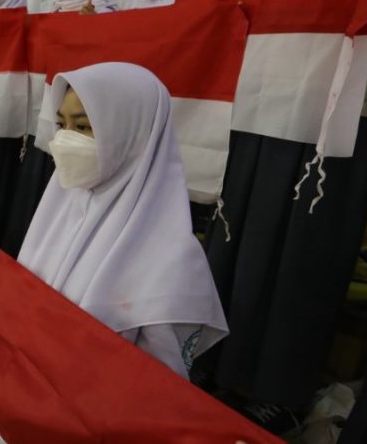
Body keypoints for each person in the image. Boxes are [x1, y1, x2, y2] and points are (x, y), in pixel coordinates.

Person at [18, 63, 228, 379]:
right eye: (61, 125)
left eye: (84, 127)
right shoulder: (60, 205)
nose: (63, 140)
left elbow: (156, 389)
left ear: (131, 133)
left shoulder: (173, 263)